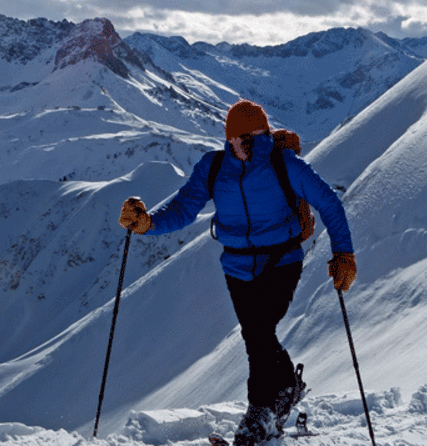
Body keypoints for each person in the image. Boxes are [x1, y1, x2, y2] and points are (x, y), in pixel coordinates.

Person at [118, 100, 357, 446]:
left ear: (264, 135)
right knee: (255, 334)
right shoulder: (214, 168)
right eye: (234, 140)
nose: (241, 147)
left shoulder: (284, 164)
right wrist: (147, 223)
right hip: (236, 266)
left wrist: (343, 253)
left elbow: (329, 203)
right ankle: (286, 385)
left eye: (250, 139)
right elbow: (184, 207)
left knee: (259, 331)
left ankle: (259, 412)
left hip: (282, 259)